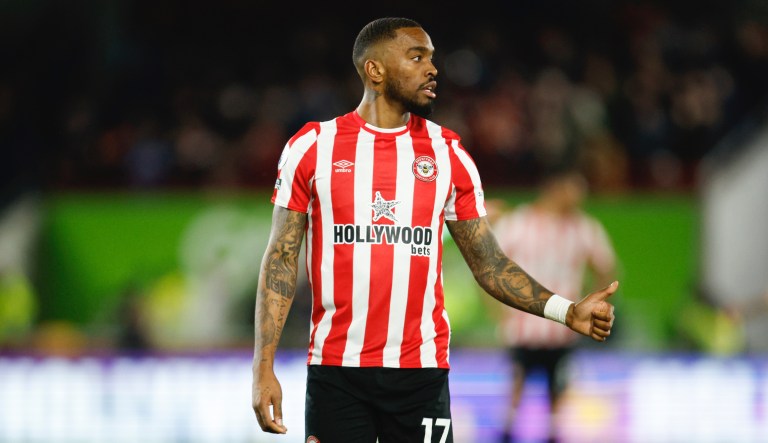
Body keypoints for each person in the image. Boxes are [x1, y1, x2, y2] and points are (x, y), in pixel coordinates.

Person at [251, 17, 618, 443]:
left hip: (421, 377)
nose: (433, 69)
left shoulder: (448, 154)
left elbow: (490, 264)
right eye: (417, 56)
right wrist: (263, 368)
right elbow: (279, 257)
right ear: (375, 70)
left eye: (432, 58)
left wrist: (567, 311)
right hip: (337, 373)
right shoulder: (313, 147)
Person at [491, 167, 618, 443]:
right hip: (522, 326)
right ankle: (508, 429)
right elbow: (491, 267)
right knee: (517, 381)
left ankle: (551, 431)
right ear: (555, 188)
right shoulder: (519, 223)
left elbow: (606, 267)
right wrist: (499, 311)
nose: (580, 196)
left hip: (562, 330)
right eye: (574, 188)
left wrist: (591, 300)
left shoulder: (583, 228)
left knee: (557, 387)